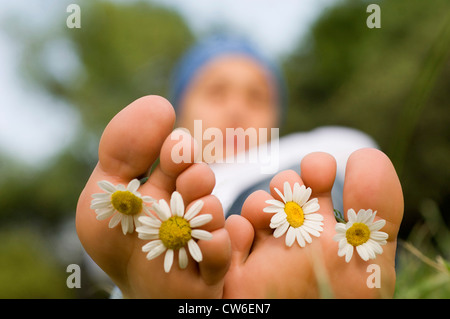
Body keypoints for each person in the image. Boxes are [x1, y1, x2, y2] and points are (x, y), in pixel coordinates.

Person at [76, 34, 404, 298]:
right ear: (181, 108)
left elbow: (357, 153)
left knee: (280, 197)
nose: (236, 109)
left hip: (282, 197)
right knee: (204, 231)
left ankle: (255, 270)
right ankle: (198, 277)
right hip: (187, 221)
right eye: (216, 93)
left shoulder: (304, 147)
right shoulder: (157, 197)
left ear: (277, 117)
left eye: (257, 97)